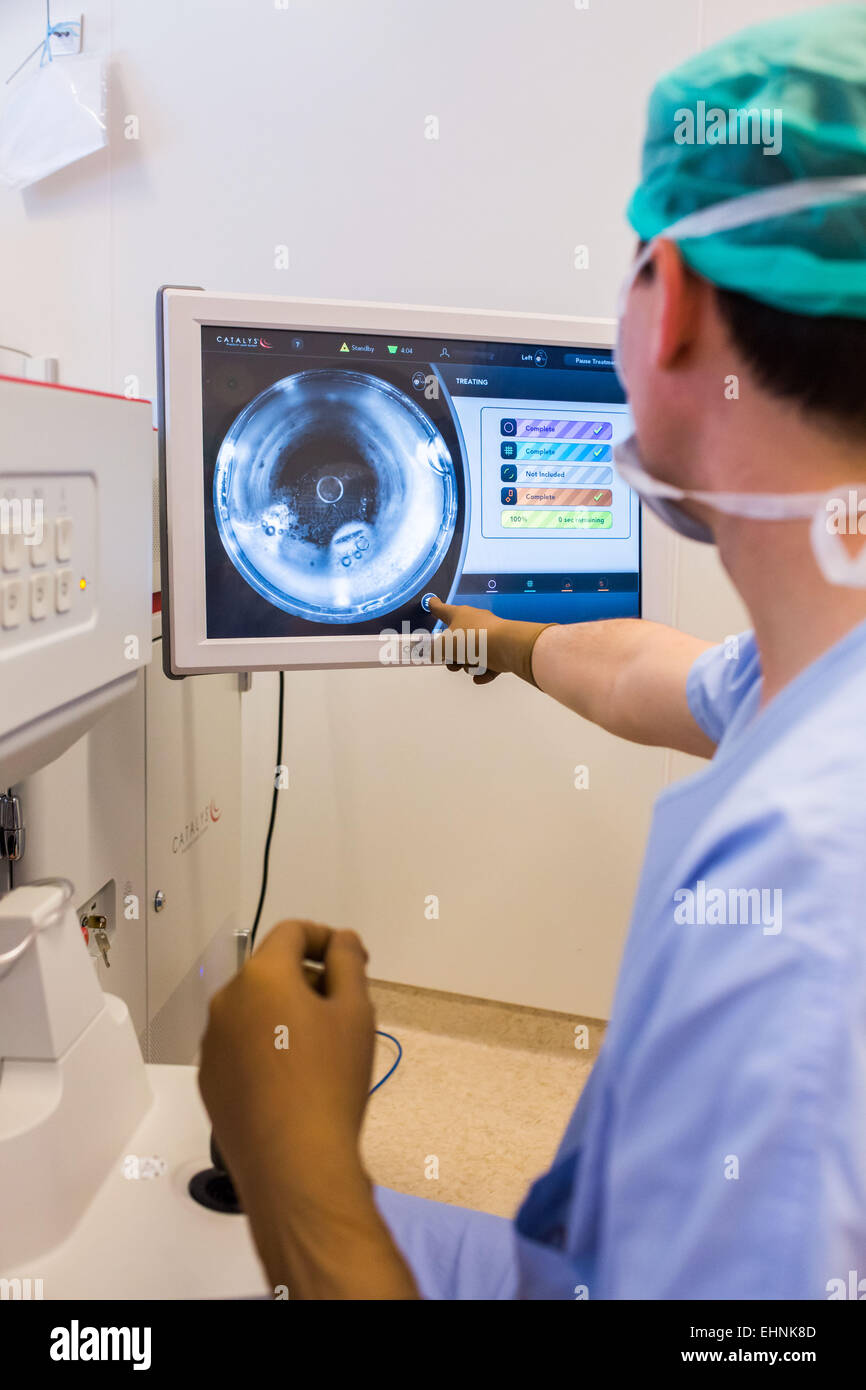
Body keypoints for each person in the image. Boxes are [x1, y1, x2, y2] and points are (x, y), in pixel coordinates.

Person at [199, 4, 866, 1299]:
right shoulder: (816, 676)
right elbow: (644, 673)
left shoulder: (801, 902)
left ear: (665, 301)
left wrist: (296, 1163)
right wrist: (500, 643)